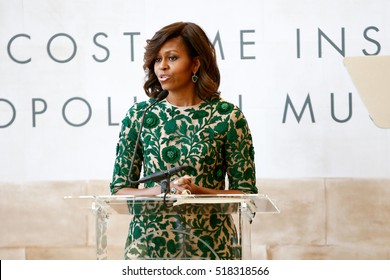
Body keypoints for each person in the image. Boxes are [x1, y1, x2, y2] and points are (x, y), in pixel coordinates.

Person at [109, 21, 258, 260]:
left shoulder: (228, 117)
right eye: (157, 59)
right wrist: (161, 190)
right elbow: (118, 192)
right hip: (148, 251)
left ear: (195, 64)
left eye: (172, 58)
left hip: (212, 252)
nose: (162, 67)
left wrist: (196, 191)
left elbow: (246, 196)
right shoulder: (139, 116)